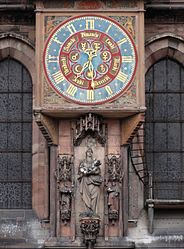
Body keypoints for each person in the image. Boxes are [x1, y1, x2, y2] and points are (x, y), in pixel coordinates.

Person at [78, 148, 102, 216]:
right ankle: (87, 211)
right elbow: (80, 172)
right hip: (85, 182)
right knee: (86, 197)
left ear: (92, 153)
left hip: (94, 182)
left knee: (95, 195)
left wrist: (92, 171)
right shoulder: (83, 162)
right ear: (86, 153)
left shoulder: (95, 162)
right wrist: (85, 172)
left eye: (90, 152)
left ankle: (93, 212)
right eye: (88, 152)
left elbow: (98, 171)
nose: (89, 153)